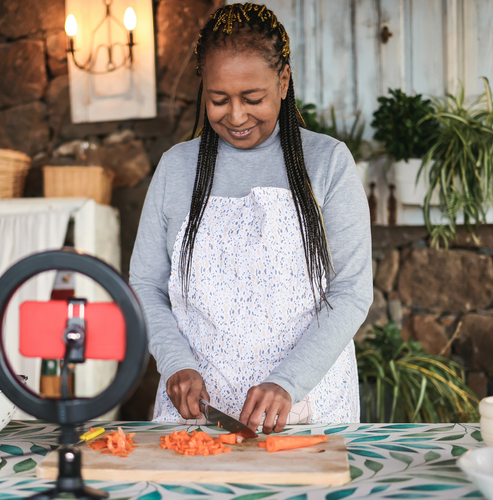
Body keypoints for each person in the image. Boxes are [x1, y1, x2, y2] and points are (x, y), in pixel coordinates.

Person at [129, 3, 372, 434]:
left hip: (305, 407)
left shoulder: (328, 162)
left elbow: (352, 291)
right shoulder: (176, 168)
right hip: (196, 414)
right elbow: (146, 284)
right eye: (219, 99)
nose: (236, 116)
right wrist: (175, 364)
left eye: (253, 99)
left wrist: (287, 382)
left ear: (283, 81)